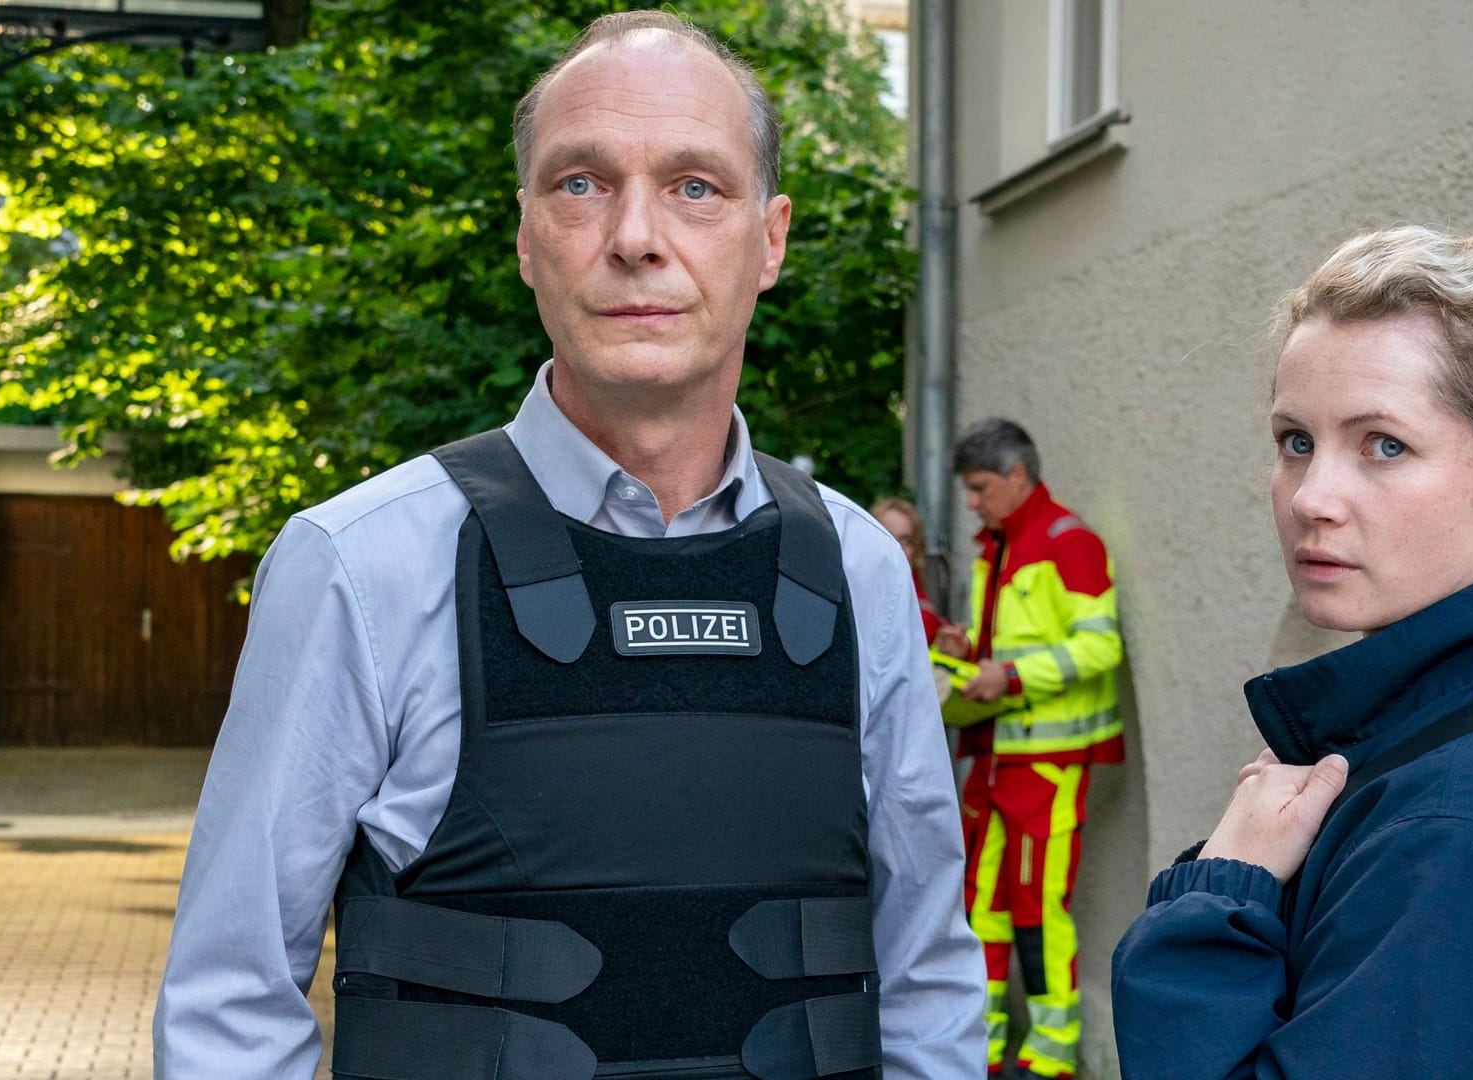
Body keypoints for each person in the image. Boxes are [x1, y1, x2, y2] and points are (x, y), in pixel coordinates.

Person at [152, 12, 985, 1079]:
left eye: (696, 186)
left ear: (769, 240)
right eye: (581, 183)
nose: (637, 235)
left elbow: (925, 979)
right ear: (525, 235)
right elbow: (231, 1001)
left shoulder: (859, 571)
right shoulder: (362, 566)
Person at [1112, 213, 1473, 1077]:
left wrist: (1221, 894)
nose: (1312, 497)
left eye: (1384, 445)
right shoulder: (1456, 737)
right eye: (1295, 441)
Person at [932, 418, 1124, 1079]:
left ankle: (1051, 1055)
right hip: (995, 756)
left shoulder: (1067, 543)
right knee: (980, 903)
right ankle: (979, 1046)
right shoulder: (1001, 544)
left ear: (1018, 477)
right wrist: (968, 650)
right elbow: (1010, 644)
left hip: (1048, 761)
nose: (973, 503)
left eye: (981, 488)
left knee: (1037, 906)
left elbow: (1101, 647)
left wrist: (1006, 676)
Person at [872, 495, 946, 642]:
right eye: (887, 537)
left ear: (916, 549)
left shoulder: (922, 611)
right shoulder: (852, 592)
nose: (897, 548)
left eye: (905, 540)